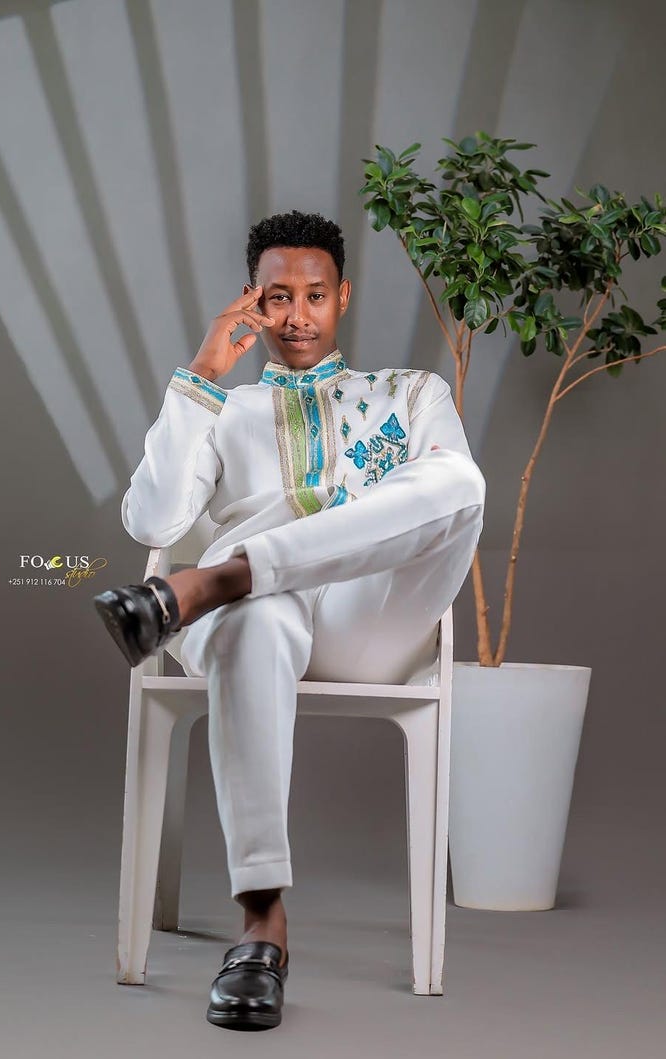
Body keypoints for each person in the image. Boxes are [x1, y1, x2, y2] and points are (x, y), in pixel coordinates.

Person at [93, 210, 486, 1031]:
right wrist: (203, 372)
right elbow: (153, 521)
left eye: (315, 295)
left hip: (368, 619)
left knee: (462, 483)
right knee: (257, 620)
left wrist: (225, 571)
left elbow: (447, 491)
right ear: (253, 303)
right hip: (255, 629)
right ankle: (261, 925)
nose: (298, 315)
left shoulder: (410, 392)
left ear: (343, 296)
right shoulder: (222, 410)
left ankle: (215, 581)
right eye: (278, 297)